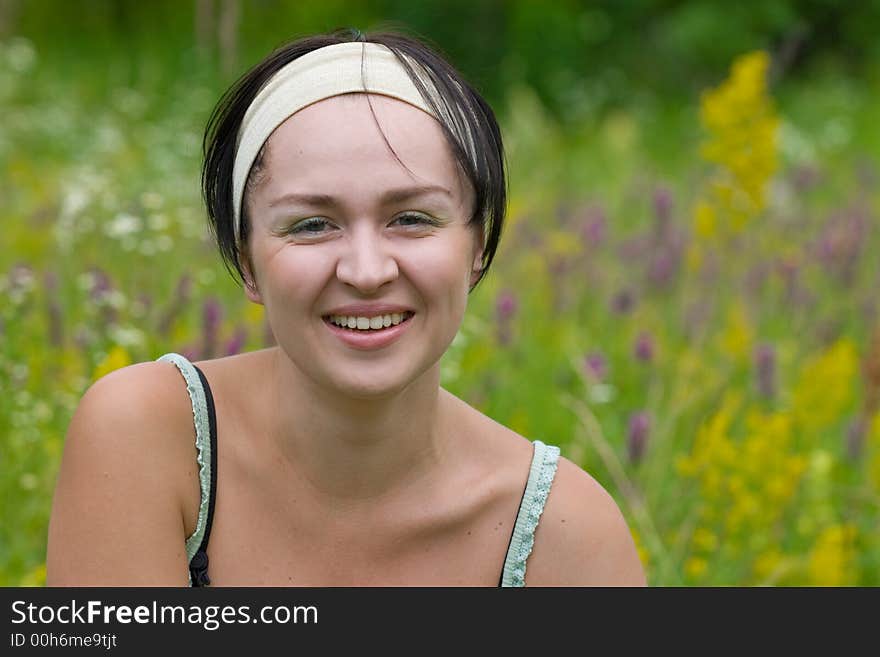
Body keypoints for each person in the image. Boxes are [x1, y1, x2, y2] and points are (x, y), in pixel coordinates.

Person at [46, 28, 646, 587]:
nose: (365, 271)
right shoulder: (148, 440)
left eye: (412, 219)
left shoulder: (566, 538)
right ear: (247, 262)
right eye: (311, 225)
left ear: (478, 247)